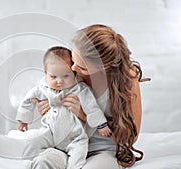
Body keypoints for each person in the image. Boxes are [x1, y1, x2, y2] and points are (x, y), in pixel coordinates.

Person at [31, 24, 146, 169]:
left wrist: (84, 115)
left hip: (101, 149)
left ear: (104, 66)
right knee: (42, 162)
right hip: (65, 145)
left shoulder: (126, 79)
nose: (73, 69)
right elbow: (47, 90)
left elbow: (131, 136)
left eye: (82, 67)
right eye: (73, 60)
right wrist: (47, 108)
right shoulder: (70, 71)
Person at [16, 46, 111, 168]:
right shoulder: (43, 88)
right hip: (51, 133)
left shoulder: (80, 89)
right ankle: (24, 161)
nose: (59, 81)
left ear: (73, 73)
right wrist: (23, 119)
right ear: (46, 74)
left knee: (77, 158)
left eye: (66, 76)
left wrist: (101, 125)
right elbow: (27, 100)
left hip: (75, 138)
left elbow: (91, 107)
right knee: (33, 142)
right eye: (54, 77)